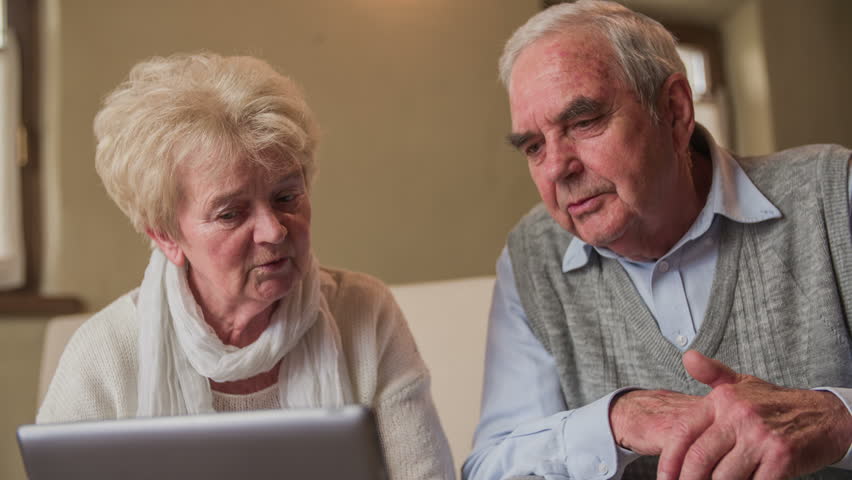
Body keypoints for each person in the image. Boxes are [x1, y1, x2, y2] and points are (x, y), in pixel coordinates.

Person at [463, 1, 852, 479]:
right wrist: (613, 419)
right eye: (533, 146)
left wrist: (836, 420)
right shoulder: (531, 259)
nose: (556, 167)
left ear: (674, 110)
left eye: (583, 123)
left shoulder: (834, 195)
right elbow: (490, 467)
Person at [37, 52, 455, 480]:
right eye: (231, 213)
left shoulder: (364, 314)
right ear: (165, 236)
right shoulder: (107, 352)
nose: (273, 230)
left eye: (286, 197)